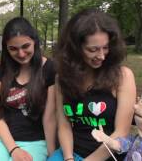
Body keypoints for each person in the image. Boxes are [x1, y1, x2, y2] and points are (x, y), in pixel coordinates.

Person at [48, 9, 136, 161]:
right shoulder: (62, 78)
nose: (101, 55)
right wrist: (68, 158)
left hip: (107, 156)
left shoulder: (123, 77)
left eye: (106, 47)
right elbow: (64, 125)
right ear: (75, 49)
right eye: (93, 49)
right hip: (71, 153)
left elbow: (121, 132)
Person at [0, 17, 56, 161]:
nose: (21, 54)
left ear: (35, 41)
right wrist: (13, 149)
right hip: (1, 139)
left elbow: (50, 117)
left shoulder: (49, 69)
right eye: (13, 49)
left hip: (34, 141)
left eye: (25, 46)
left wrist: (52, 154)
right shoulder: (2, 70)